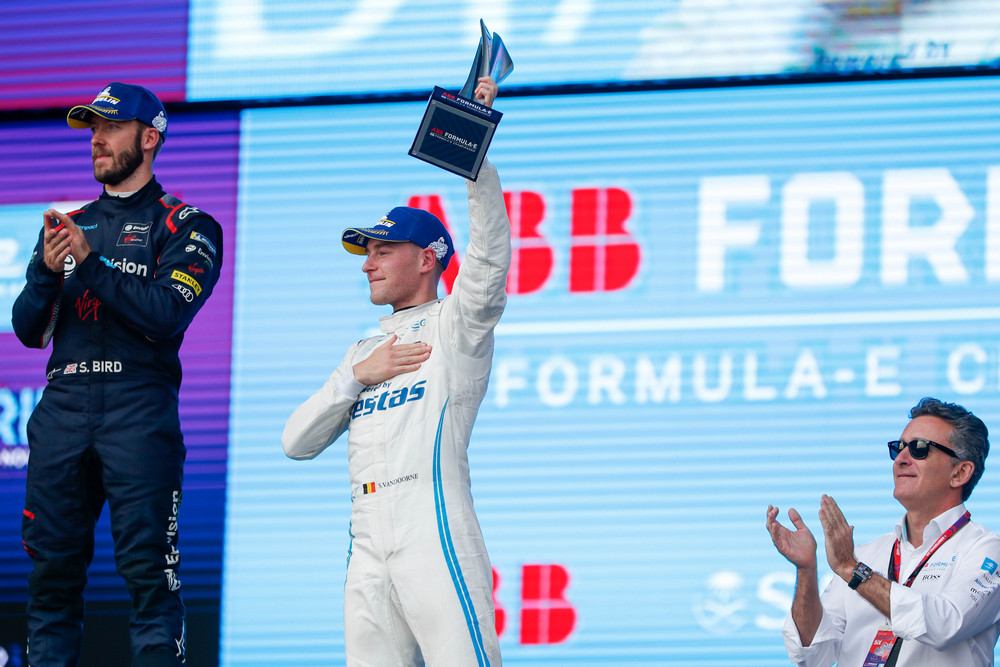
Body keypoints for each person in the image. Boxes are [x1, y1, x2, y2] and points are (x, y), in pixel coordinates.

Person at [282, 76, 507, 667]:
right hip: (365, 541)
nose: (369, 265)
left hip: (431, 527)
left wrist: (474, 161)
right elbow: (295, 443)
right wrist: (357, 376)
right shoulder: (363, 350)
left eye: (383, 250)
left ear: (427, 258)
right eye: (367, 253)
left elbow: (487, 262)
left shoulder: (456, 325)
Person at [12, 82, 223, 667]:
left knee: (151, 579)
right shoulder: (69, 224)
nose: (97, 139)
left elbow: (166, 313)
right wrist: (47, 273)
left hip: (138, 411)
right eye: (92, 128)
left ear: (149, 138)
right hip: (62, 408)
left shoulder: (188, 225)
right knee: (50, 581)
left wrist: (88, 262)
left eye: (111, 127)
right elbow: (29, 330)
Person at [766, 397, 1000, 666]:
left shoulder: (985, 549)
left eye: (919, 448)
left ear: (959, 473)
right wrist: (807, 571)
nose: (900, 459)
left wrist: (853, 571)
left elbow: (945, 625)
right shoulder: (864, 554)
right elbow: (812, 655)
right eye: (898, 448)